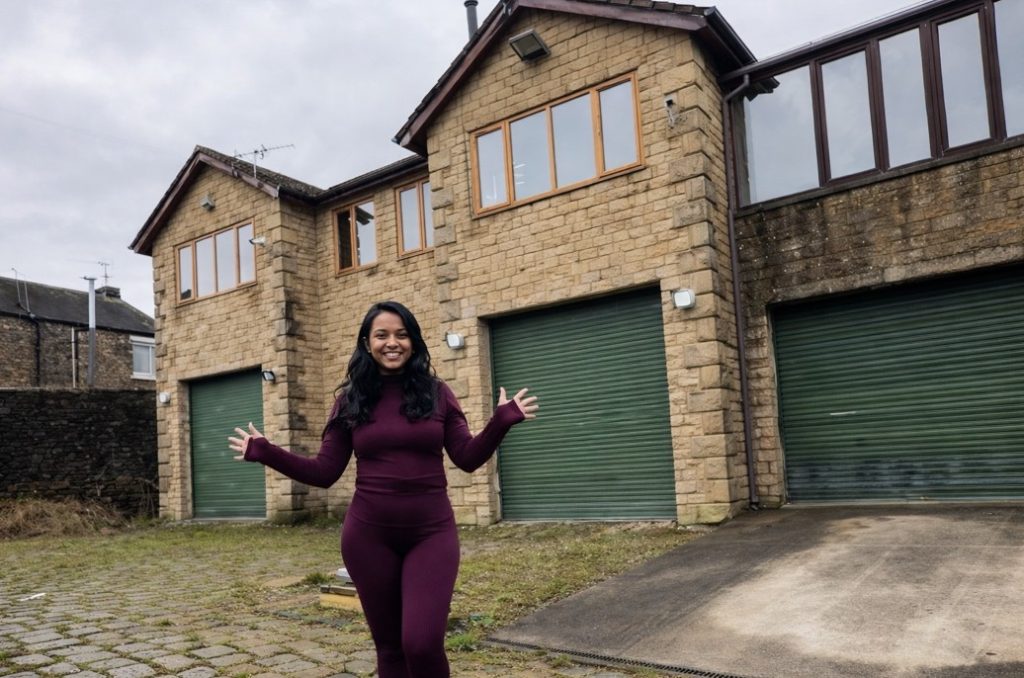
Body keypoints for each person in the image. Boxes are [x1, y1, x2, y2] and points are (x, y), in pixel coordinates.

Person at [227, 300, 538, 678]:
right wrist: (267, 452)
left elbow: (467, 457)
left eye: (402, 335)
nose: (393, 343)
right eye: (382, 335)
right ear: (366, 342)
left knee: (422, 644)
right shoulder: (350, 401)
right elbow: (325, 471)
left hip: (431, 533)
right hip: (368, 537)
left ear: (414, 342)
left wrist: (500, 422)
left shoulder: (437, 394)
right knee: (390, 649)